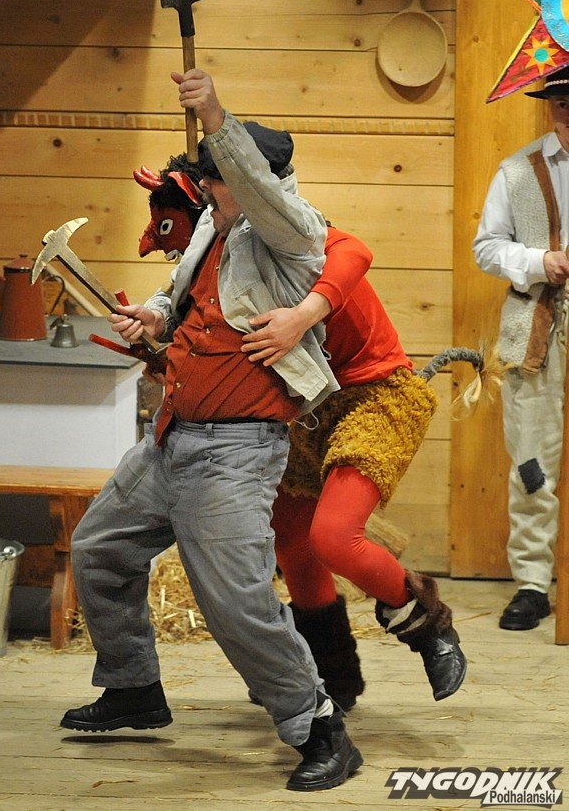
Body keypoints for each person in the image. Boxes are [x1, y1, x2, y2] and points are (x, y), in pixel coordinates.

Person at [61, 68, 363, 793]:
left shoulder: (292, 230)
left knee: (236, 603)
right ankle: (133, 688)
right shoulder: (212, 225)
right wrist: (154, 315)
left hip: (236, 451)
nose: (207, 188)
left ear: (257, 181)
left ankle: (318, 726)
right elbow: (183, 294)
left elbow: (260, 191)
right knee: (99, 549)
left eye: (218, 177)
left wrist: (217, 116)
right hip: (172, 437)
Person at [132, 160, 471, 712]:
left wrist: (305, 313)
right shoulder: (210, 261)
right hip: (301, 407)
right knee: (291, 540)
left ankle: (428, 625)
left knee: (334, 536)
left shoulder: (288, 235)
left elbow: (353, 250)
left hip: (372, 394)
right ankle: (332, 676)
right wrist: (158, 345)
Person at [473, 66, 569, 631]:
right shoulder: (516, 171)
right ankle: (533, 584)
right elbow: (487, 247)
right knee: (531, 460)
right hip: (535, 328)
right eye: (561, 101)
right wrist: (538, 262)